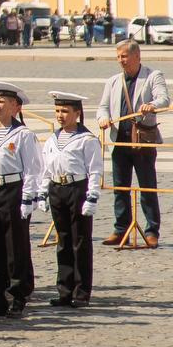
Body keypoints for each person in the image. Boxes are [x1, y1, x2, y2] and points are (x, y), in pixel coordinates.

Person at [0, 82, 41, 316]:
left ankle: (18, 295)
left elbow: (33, 169)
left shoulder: (23, 135)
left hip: (13, 189)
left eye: (2, 101)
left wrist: (28, 198)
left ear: (14, 106)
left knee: (15, 246)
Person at [98, 40, 164, 249]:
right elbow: (103, 106)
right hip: (120, 141)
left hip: (142, 141)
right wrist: (103, 118)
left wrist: (151, 105)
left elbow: (163, 99)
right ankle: (121, 229)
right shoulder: (113, 81)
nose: (120, 61)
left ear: (137, 56)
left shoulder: (153, 76)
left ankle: (152, 231)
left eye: (124, 56)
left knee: (147, 186)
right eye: (118, 57)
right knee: (120, 188)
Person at [41, 92, 100, 306]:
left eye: (65, 111)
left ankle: (81, 291)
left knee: (80, 241)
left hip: (77, 187)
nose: (60, 115)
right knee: (63, 240)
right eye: (57, 111)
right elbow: (46, 168)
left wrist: (92, 196)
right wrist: (43, 191)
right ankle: (64, 290)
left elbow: (95, 170)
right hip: (57, 188)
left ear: (77, 113)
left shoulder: (86, 139)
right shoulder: (52, 139)